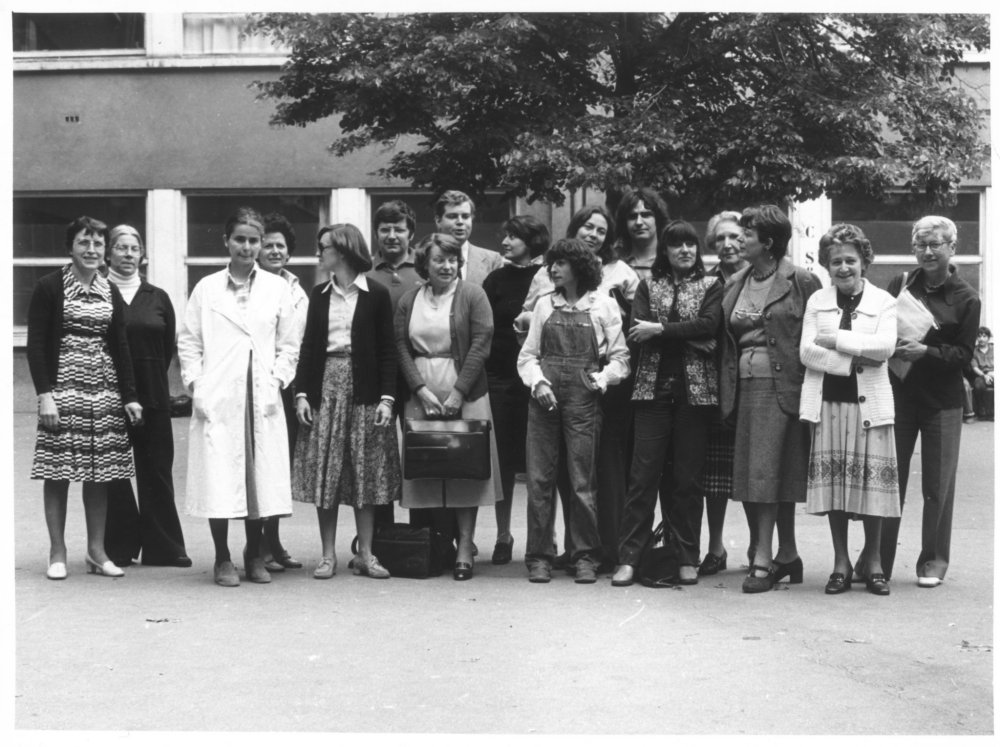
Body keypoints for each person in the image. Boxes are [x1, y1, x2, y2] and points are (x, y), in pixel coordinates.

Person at [177, 207, 300, 587]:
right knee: (218, 478)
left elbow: (289, 345)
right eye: (240, 239)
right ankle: (222, 557)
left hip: (260, 395)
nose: (247, 247)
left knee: (257, 479)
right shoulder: (207, 288)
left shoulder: (277, 288)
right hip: (219, 395)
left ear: (261, 244)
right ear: (226, 242)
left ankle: (253, 554)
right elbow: (189, 342)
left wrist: (277, 381)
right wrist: (197, 385)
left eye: (253, 240)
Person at [517, 204, 639, 571]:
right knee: (539, 481)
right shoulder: (544, 304)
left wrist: (601, 379)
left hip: (585, 400)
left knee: (583, 481)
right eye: (552, 263)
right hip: (544, 398)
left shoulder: (603, 306)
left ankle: (585, 555)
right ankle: (539, 557)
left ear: (579, 268)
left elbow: (621, 358)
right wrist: (538, 383)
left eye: (560, 264)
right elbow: (528, 356)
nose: (552, 269)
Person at [27, 216, 143, 580]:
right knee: (58, 471)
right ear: (70, 247)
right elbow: (35, 346)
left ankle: (96, 551)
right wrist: (45, 396)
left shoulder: (110, 290)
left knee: (100, 472)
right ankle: (57, 552)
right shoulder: (49, 287)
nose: (91, 250)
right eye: (84, 242)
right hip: (63, 389)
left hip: (103, 390)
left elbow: (120, 345)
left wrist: (129, 396)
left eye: (97, 243)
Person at [613, 221, 723, 586]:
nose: (685, 250)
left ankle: (686, 557)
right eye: (677, 245)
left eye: (690, 244)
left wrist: (660, 329)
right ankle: (629, 558)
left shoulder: (711, 285)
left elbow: (709, 325)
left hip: (695, 395)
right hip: (652, 391)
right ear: (666, 251)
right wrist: (690, 336)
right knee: (642, 477)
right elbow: (637, 332)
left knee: (687, 480)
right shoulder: (649, 285)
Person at [720, 205, 822, 593]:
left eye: (746, 234)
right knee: (755, 475)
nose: (738, 240)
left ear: (767, 242)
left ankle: (764, 558)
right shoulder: (736, 282)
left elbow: (816, 333)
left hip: (780, 388)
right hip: (741, 389)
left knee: (769, 475)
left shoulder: (802, 281)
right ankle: (787, 554)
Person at [292, 224, 401, 579]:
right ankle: (327, 555)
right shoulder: (319, 294)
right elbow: (309, 347)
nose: (319, 253)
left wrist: (387, 399)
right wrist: (303, 394)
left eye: (323, 247)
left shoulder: (376, 294)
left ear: (342, 250)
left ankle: (366, 554)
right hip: (326, 389)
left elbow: (388, 351)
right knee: (327, 472)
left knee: (363, 472)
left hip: (365, 392)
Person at [799, 224, 900, 596]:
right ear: (826, 265)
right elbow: (806, 352)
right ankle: (841, 563)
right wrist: (854, 355)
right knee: (836, 488)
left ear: (864, 262)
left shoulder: (882, 301)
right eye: (835, 261)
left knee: (872, 487)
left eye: (850, 260)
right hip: (828, 403)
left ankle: (873, 562)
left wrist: (835, 339)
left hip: (870, 405)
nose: (843, 268)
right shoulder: (817, 300)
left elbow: (885, 348)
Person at [395, 233, 502, 580]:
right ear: (425, 264)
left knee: (464, 471)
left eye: (452, 259)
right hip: (422, 392)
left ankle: (465, 548)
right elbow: (400, 346)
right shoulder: (410, 299)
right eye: (439, 260)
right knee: (430, 469)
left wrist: (458, 392)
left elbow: (482, 343)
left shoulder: (473, 295)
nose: (446, 266)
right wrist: (420, 390)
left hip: (466, 391)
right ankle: (440, 544)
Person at [881, 216, 980, 588]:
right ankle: (877, 561)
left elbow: (964, 355)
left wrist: (926, 351)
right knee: (889, 481)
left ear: (952, 247)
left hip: (943, 402)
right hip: (899, 394)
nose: (927, 251)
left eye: (935, 244)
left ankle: (933, 561)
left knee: (938, 486)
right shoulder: (900, 284)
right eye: (920, 244)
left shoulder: (967, 298)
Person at [103, 224, 190, 568]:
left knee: (157, 470)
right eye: (120, 247)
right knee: (113, 472)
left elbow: (166, 347)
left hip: (153, 395)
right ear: (108, 252)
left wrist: (148, 380)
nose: (128, 254)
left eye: (134, 248)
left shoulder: (158, 297)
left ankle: (164, 548)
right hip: (109, 396)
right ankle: (120, 547)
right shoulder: (99, 293)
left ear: (142, 255)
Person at [482, 215, 549, 565]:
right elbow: (484, 329)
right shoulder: (495, 279)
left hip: (537, 380)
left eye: (513, 236)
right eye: (505, 235)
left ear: (532, 240)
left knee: (541, 465)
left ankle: (544, 538)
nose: (505, 242)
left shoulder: (549, 276)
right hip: (501, 380)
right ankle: (503, 535)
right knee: (505, 464)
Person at [253, 212, 309, 573]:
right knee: (260, 465)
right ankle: (257, 545)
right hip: (260, 383)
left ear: (289, 252)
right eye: (268, 245)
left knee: (280, 467)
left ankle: (272, 539)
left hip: (290, 386)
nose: (274, 251)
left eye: (281, 246)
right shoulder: (252, 286)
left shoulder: (296, 289)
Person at [698, 211, 748, 576]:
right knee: (714, 475)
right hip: (715, 384)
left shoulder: (757, 279)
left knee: (752, 469)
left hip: (753, 383)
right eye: (720, 239)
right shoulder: (706, 283)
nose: (727, 244)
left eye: (735, 237)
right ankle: (716, 547)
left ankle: (760, 546)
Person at [434, 190, 504, 285]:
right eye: (452, 216)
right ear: (438, 220)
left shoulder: (492, 260)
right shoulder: (422, 257)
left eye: (465, 216)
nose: (460, 222)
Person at [370, 199, 422, 309]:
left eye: (399, 230)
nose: (392, 236)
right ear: (376, 234)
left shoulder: (427, 268)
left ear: (411, 235)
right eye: (385, 230)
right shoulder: (363, 271)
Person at [615, 187, 671, 282]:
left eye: (646, 215)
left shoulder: (670, 260)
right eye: (632, 217)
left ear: (658, 219)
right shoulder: (616, 262)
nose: (639, 222)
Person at [969, 327, 994, 420]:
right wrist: (985, 376)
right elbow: (974, 367)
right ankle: (981, 409)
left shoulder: (994, 349)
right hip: (981, 374)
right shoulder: (973, 351)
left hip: (994, 372)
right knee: (978, 385)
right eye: (979, 336)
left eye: (984, 336)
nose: (981, 339)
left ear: (988, 338)